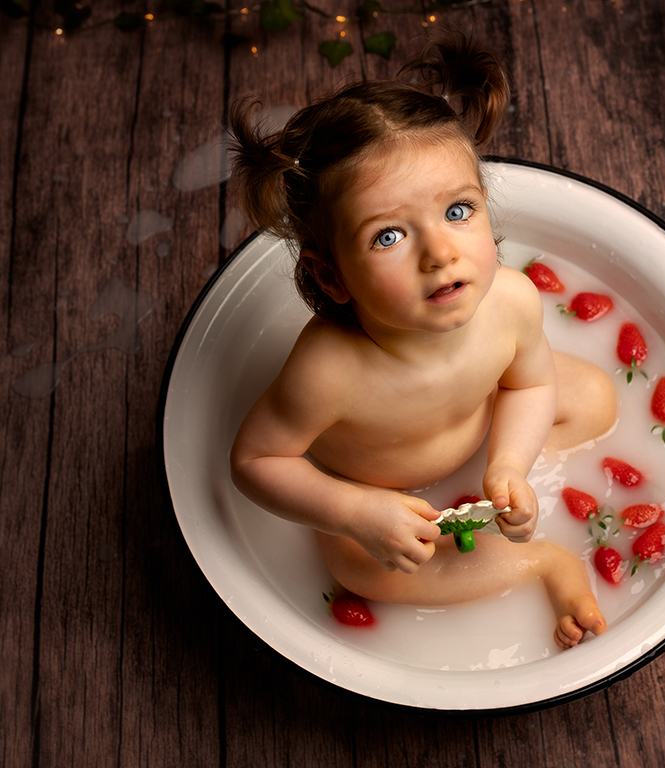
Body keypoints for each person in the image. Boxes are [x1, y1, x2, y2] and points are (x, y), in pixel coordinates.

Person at [227, 32, 617, 649]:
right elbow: (255, 463)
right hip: (377, 491)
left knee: (595, 396)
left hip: (483, 431)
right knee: (359, 567)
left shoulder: (510, 299)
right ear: (332, 275)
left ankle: (507, 501)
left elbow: (532, 382)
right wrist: (355, 512)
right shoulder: (327, 369)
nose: (440, 253)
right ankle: (544, 563)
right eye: (388, 237)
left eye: (458, 212)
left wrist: (510, 463)